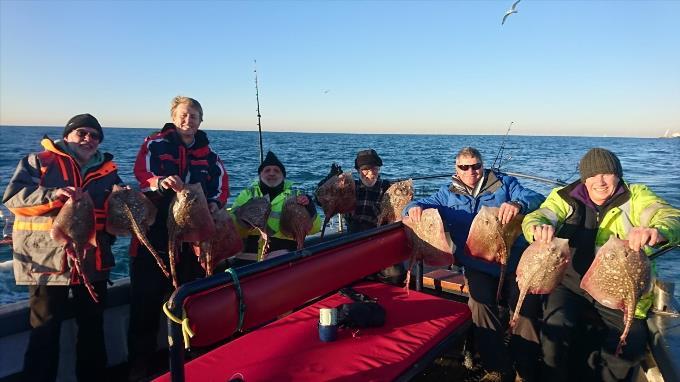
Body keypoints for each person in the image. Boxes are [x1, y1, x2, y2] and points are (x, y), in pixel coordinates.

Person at [522, 147, 680, 382]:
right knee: (556, 326)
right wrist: (537, 228)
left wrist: (658, 230)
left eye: (607, 173)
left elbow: (668, 215)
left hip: (619, 289)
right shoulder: (565, 196)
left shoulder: (636, 196)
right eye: (592, 175)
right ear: (584, 178)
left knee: (628, 343)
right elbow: (539, 215)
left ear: (618, 174)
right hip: (570, 283)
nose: (600, 181)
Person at [404, 147, 545, 382]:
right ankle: (498, 367)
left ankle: (525, 368)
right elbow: (419, 203)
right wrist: (413, 208)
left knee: (525, 309)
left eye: (476, 166)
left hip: (513, 262)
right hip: (476, 264)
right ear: (456, 170)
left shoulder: (505, 184)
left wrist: (518, 204)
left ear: (483, 165)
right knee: (480, 304)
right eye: (464, 167)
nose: (471, 171)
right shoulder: (447, 194)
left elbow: (537, 198)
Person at [3, 114, 122, 381]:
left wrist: (125, 198)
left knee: (93, 330)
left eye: (94, 135)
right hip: (48, 261)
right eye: (81, 133)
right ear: (67, 136)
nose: (88, 139)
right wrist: (53, 195)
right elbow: (13, 199)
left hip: (93, 260)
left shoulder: (109, 170)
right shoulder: (39, 162)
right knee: (44, 331)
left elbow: (115, 212)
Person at [129, 96, 229, 379]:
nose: (188, 120)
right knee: (145, 306)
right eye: (183, 115)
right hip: (154, 237)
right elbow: (142, 173)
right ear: (174, 117)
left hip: (192, 242)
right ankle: (140, 368)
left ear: (200, 120)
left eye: (194, 115)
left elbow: (221, 186)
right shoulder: (154, 144)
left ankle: (196, 361)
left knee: (193, 303)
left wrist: (214, 204)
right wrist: (159, 183)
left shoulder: (211, 156)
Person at [230, 151, 321, 265]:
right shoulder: (247, 194)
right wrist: (245, 219)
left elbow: (316, 229)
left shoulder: (296, 195)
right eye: (267, 170)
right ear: (260, 175)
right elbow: (231, 228)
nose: (272, 173)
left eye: (276, 171)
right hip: (248, 257)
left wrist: (310, 209)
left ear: (283, 176)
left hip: (284, 255)